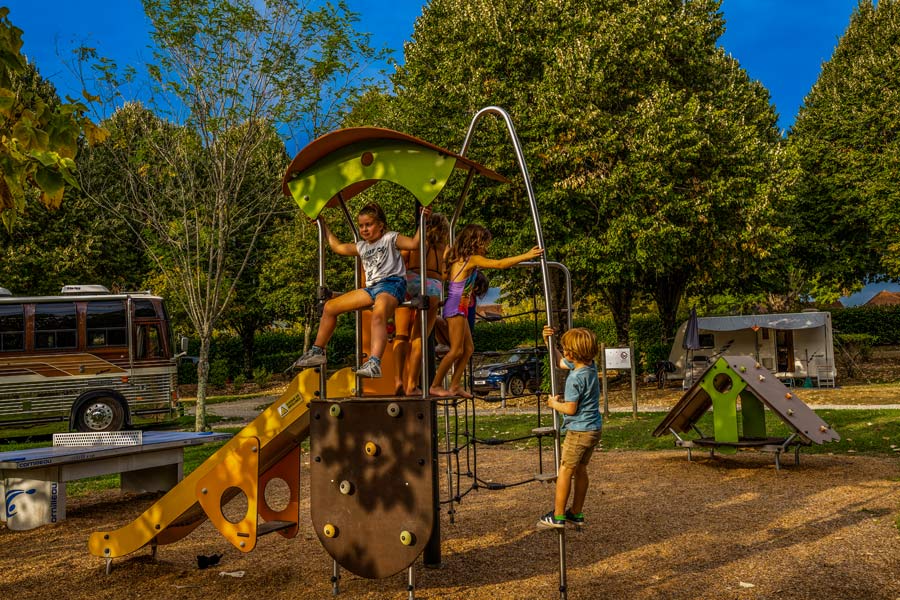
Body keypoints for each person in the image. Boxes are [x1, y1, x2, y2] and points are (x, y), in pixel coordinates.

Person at [293, 203, 427, 378]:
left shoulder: (390, 238)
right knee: (330, 307)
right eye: (361, 225)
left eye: (369, 224)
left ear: (380, 225)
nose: (364, 229)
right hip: (372, 288)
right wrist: (322, 224)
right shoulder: (362, 246)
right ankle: (318, 351)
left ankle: (374, 363)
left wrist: (424, 218)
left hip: (392, 283)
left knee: (378, 313)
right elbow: (338, 247)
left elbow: (415, 243)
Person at [429, 224, 543, 398]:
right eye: (485, 244)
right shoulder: (470, 259)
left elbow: (446, 275)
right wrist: (526, 255)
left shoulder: (459, 258)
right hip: (456, 307)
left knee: (468, 349)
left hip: (461, 307)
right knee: (456, 351)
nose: (486, 248)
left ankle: (454, 385)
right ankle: (436, 385)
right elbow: (499, 264)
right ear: (475, 242)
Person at [537, 325, 602, 529]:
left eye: (565, 349)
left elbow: (571, 409)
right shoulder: (589, 367)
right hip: (593, 429)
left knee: (565, 469)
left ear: (572, 354)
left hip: (579, 430)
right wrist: (550, 341)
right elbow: (559, 362)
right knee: (581, 469)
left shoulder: (574, 378)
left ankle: (558, 516)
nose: (563, 352)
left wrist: (553, 404)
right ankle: (576, 512)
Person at [394, 211, 450, 395]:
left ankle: (397, 380)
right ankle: (412, 384)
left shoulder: (415, 243)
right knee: (419, 337)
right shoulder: (445, 247)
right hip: (432, 286)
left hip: (411, 279)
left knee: (401, 334)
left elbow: (400, 260)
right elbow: (446, 272)